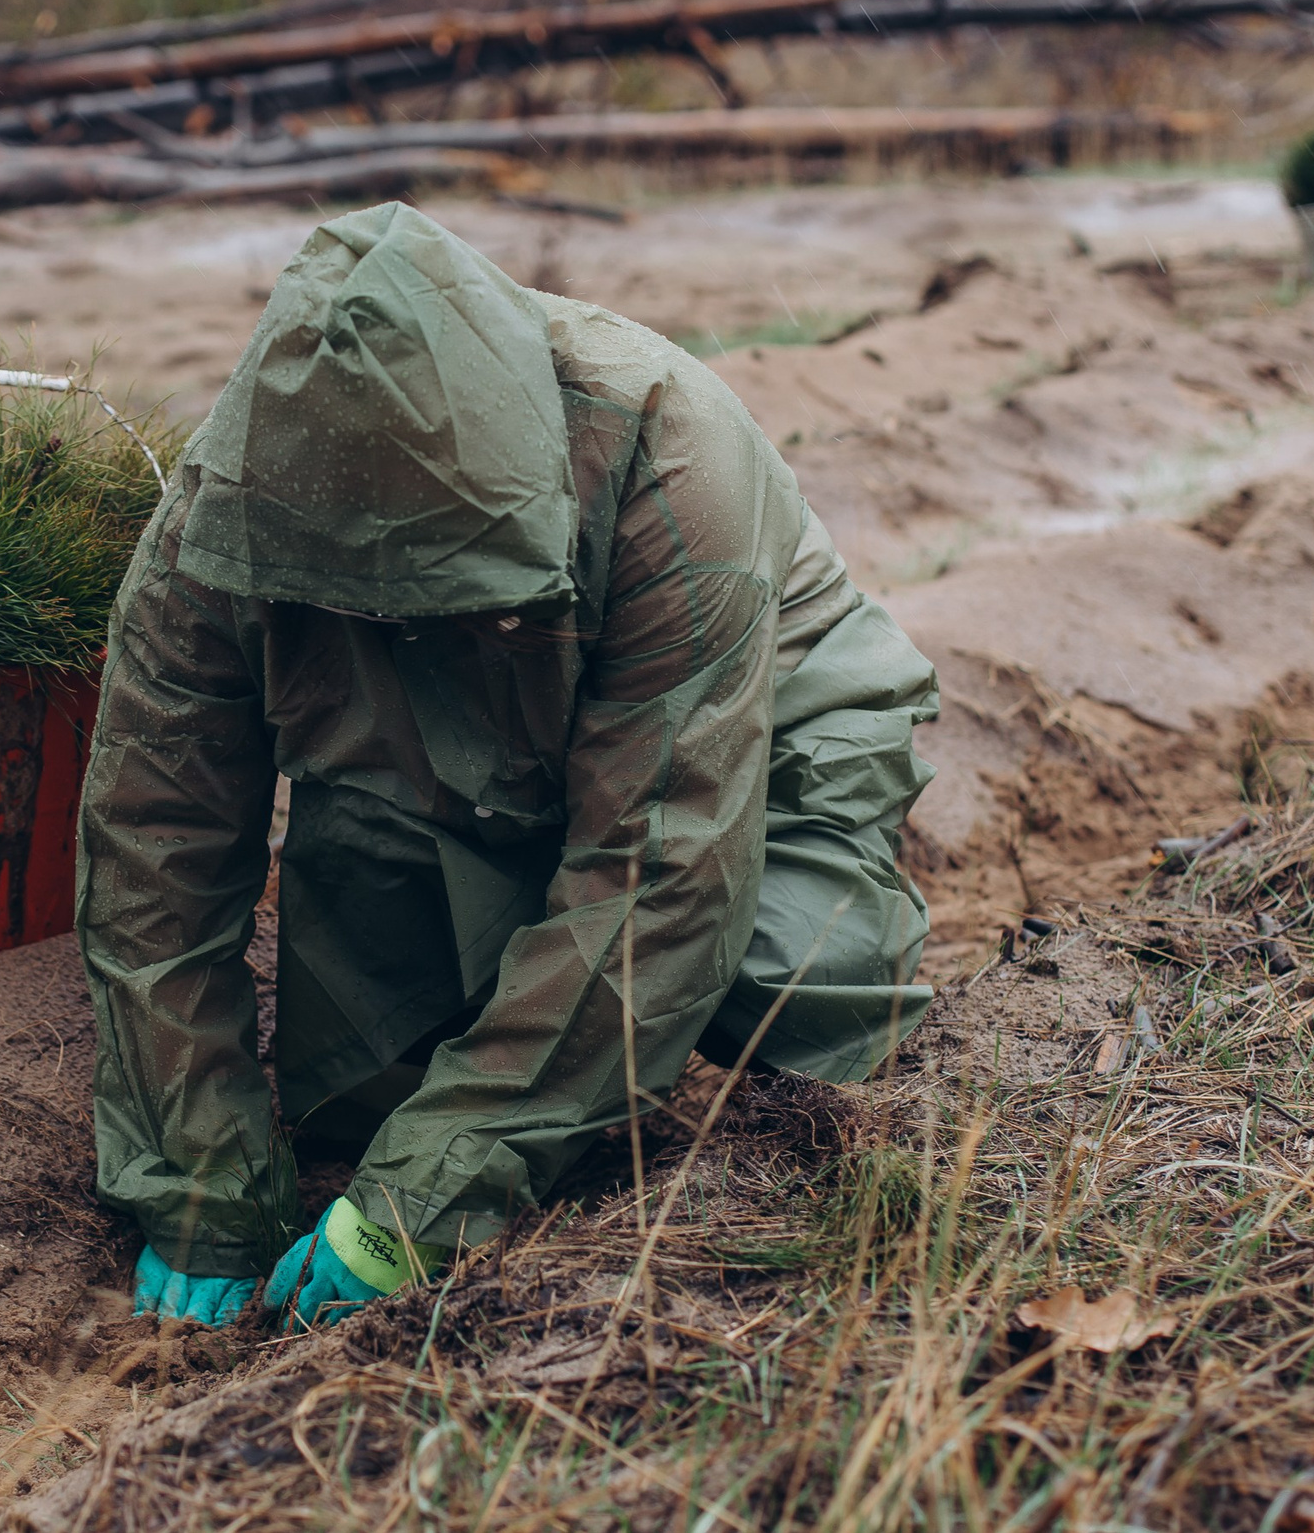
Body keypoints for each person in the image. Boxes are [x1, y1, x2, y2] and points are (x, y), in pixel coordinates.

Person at [79, 202, 938, 1331]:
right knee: (356, 1093)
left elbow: (662, 880)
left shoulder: (671, 463)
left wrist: (425, 1198)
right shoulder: (223, 517)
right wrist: (194, 1183)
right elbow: (154, 852)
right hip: (455, 750)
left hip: (754, 724)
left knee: (784, 981)